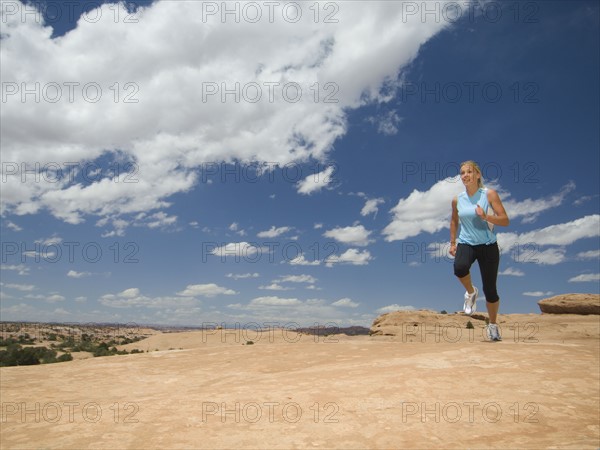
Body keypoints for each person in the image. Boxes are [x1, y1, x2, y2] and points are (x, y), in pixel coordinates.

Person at [449, 160, 509, 341]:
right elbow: (454, 221)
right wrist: (453, 242)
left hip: (488, 246)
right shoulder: (457, 199)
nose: (465, 175)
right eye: (462, 173)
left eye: (469, 172)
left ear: (477, 175)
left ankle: (492, 325)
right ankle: (471, 292)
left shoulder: (489, 194)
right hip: (467, 243)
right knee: (459, 268)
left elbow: (505, 220)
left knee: (490, 290)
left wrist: (486, 216)